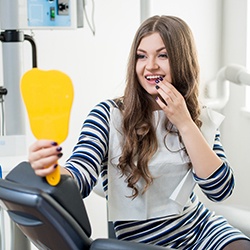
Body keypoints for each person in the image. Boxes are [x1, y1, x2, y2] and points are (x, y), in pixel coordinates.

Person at [28, 15, 250, 249]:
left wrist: (185, 123)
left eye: (162, 55)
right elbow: (80, 175)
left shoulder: (198, 116)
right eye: (141, 56)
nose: (150, 65)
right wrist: (53, 170)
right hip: (142, 244)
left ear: (182, 61)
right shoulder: (107, 115)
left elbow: (220, 190)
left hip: (202, 231)